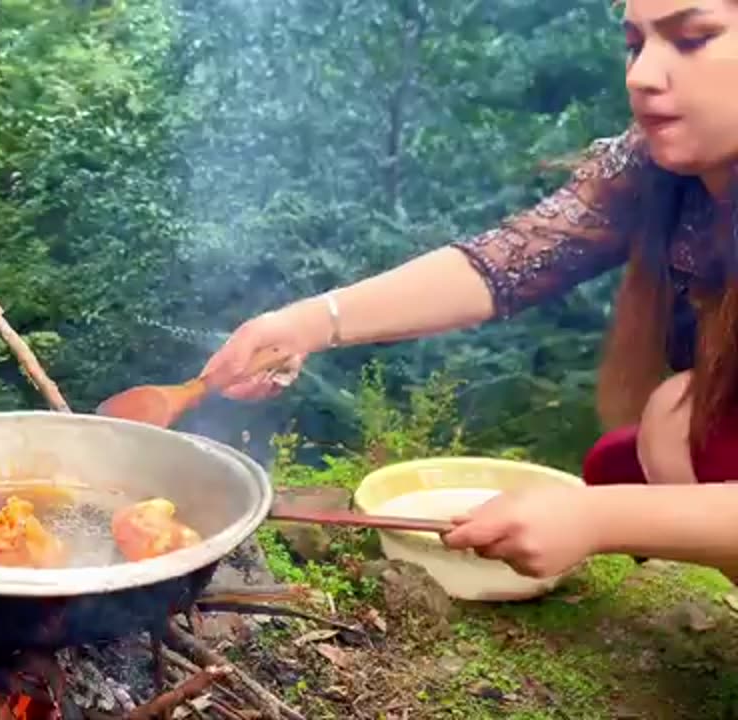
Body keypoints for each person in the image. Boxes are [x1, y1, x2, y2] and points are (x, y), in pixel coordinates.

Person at [200, 0, 738, 582]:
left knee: (653, 447)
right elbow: (505, 261)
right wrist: (309, 322)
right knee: (665, 423)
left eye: (692, 38)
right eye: (636, 45)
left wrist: (596, 518)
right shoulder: (653, 167)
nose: (640, 75)